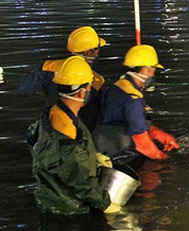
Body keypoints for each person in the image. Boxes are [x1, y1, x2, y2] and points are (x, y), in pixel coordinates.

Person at [26, 56, 120, 216]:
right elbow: (80, 181)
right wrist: (105, 204)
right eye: (89, 86)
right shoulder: (66, 133)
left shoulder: (56, 112)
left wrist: (93, 155)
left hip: (51, 197)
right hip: (68, 208)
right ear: (81, 91)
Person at [94, 44, 179, 162]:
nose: (152, 76)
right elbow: (142, 144)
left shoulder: (119, 86)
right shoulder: (133, 100)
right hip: (116, 151)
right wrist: (166, 159)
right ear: (146, 69)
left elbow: (130, 120)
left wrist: (157, 132)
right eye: (152, 71)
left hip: (101, 138)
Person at [18, 26, 108, 130]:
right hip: (80, 133)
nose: (98, 53)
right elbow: (103, 116)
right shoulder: (97, 81)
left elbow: (23, 89)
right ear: (88, 52)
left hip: (52, 125)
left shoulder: (48, 67)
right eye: (97, 49)